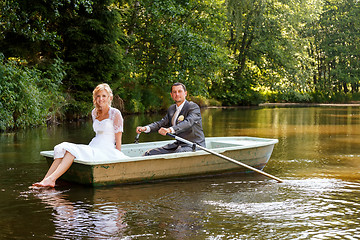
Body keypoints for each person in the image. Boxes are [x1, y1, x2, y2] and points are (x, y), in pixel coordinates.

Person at [32, 83, 129, 188]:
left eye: (104, 96)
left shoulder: (115, 113)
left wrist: (118, 155)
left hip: (106, 149)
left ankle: (51, 179)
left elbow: (118, 138)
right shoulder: (94, 112)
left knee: (71, 151)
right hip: (94, 146)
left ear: (110, 97)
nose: (101, 99)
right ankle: (45, 180)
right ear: (95, 98)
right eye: (98, 96)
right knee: (64, 148)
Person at [136, 82, 206, 155]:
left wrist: (170, 130)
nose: (177, 94)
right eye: (174, 92)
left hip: (194, 145)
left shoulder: (193, 107)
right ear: (171, 95)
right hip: (179, 144)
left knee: (177, 154)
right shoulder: (171, 109)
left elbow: (188, 122)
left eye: (180, 91)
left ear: (185, 93)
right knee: (149, 153)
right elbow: (161, 123)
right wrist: (145, 128)